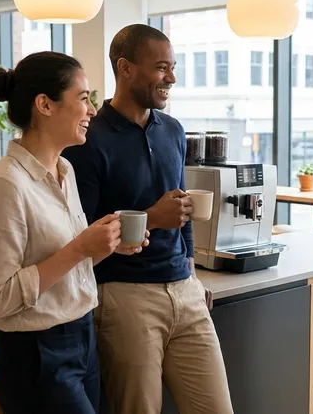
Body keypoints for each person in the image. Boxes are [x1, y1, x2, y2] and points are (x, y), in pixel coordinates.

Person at [61, 24, 233, 414]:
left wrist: (190, 269)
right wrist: (151, 218)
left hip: (184, 291)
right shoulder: (88, 141)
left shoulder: (172, 130)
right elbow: (79, 233)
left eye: (171, 68)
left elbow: (181, 205)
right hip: (124, 296)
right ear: (125, 68)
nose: (170, 77)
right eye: (161, 67)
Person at [0, 51, 149, 414]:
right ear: (45, 105)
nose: (93, 111)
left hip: (82, 338)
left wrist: (105, 245)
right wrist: (80, 248)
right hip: (35, 354)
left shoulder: (64, 171)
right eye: (83, 98)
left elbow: (68, 264)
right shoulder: (6, 185)